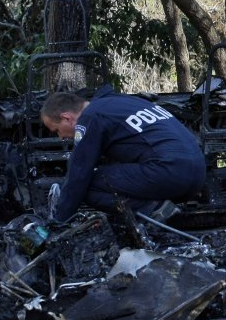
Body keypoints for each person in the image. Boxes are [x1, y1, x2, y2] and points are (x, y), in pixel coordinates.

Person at [40, 85, 206, 223]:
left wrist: (59, 222)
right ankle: (156, 210)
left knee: (86, 184)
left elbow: (79, 172)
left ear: (67, 118)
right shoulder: (124, 102)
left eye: (56, 130)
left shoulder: (91, 117)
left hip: (169, 171)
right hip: (197, 173)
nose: (60, 137)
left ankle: (155, 211)